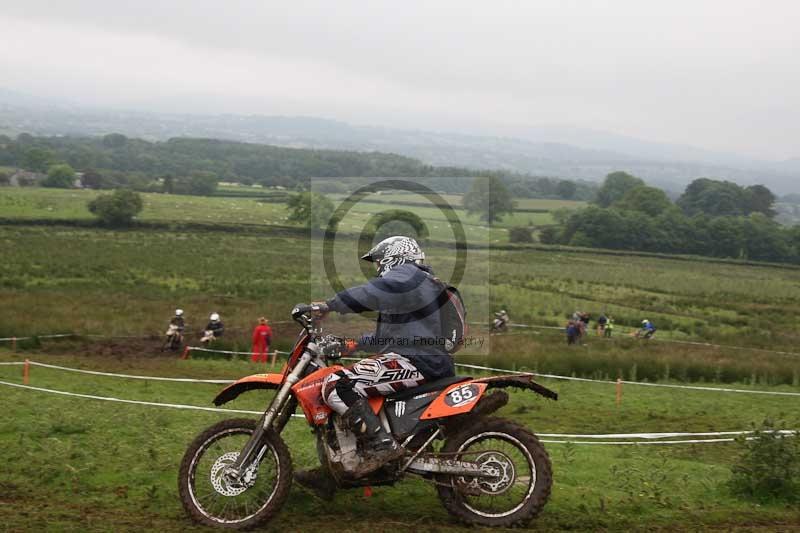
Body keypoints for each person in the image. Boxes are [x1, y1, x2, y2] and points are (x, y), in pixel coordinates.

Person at [295, 235, 455, 497]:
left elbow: (373, 292)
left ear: (395, 258)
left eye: (379, 262)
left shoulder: (409, 275)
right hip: (420, 357)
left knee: (337, 385)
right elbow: (388, 337)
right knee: (351, 385)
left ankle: (383, 446)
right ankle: (335, 473)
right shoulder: (415, 285)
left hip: (418, 359)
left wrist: (331, 305)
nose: (378, 268)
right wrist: (353, 344)